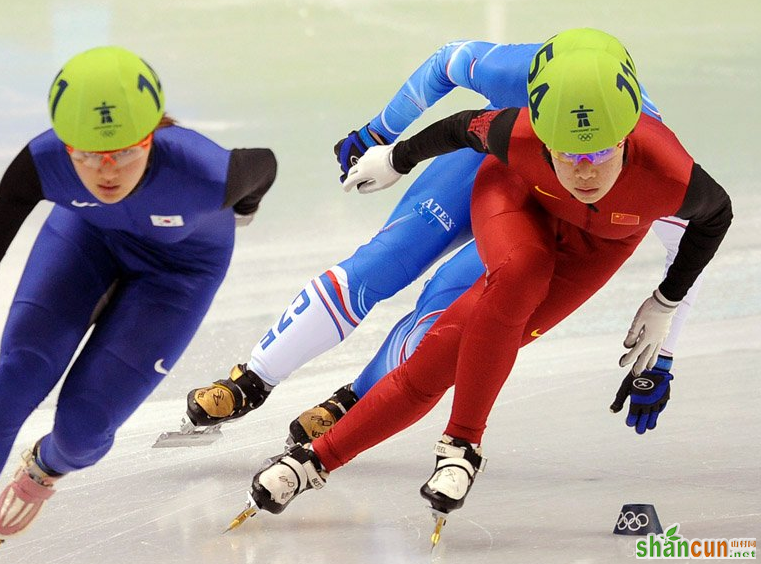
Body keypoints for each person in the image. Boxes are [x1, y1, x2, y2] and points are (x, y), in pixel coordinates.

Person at [242, 28, 732, 531]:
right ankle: (463, 445)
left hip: (596, 244)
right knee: (517, 273)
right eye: (567, 152)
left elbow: (712, 223)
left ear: (627, 136)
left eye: (600, 153)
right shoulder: (515, 123)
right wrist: (389, 151)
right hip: (517, 195)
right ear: (542, 131)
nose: (585, 172)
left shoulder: (670, 171)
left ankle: (312, 462)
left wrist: (665, 310)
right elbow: (458, 123)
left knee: (451, 348)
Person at [179, 31, 700, 447]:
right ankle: (255, 376)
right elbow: (448, 64)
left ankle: (355, 398)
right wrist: (382, 135)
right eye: (562, 145)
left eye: (595, 153)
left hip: (549, 215)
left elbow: (695, 233)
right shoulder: (522, 74)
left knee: (454, 310)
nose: (580, 163)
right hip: (493, 156)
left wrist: (664, 343)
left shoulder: (653, 156)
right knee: (385, 262)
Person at [0, 46, 277, 563]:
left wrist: (245, 205)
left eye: (125, 152)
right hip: (87, 239)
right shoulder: (41, 163)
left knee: (83, 432)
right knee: (16, 378)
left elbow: (265, 165)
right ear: (66, 144)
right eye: (86, 154)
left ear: (151, 137)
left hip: (179, 273)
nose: (107, 171)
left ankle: (46, 466)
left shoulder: (204, 170)